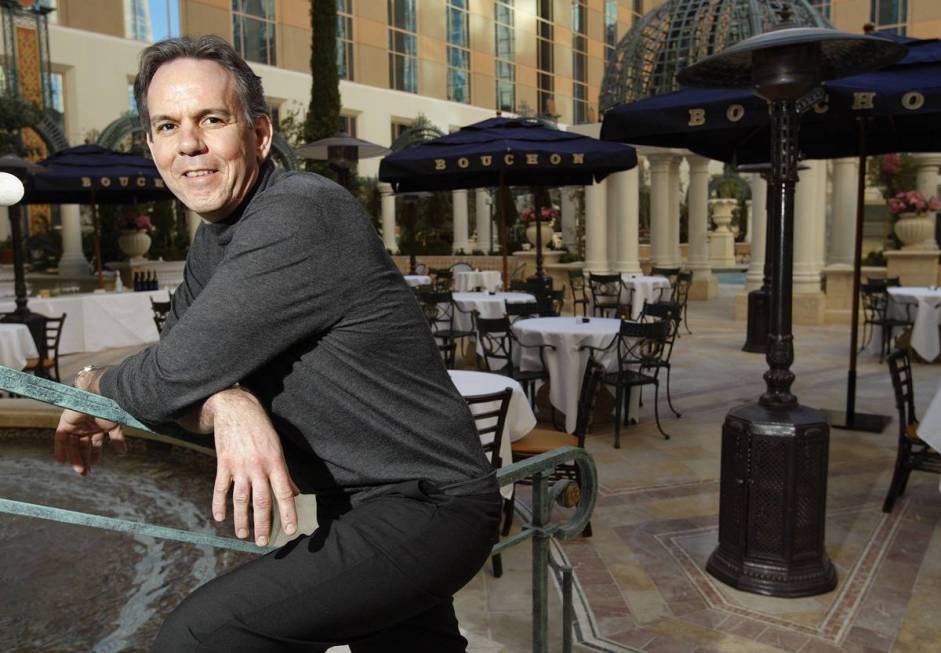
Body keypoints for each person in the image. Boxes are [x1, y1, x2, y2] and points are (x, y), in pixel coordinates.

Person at [54, 35, 500, 652]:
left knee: (200, 638)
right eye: (166, 125)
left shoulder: (301, 212)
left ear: (260, 135)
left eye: (211, 119)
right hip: (366, 505)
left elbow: (168, 375)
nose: (189, 144)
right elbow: (182, 374)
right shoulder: (216, 240)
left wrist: (94, 384)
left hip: (424, 509)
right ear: (153, 144)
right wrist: (227, 403)